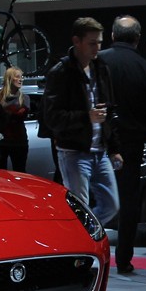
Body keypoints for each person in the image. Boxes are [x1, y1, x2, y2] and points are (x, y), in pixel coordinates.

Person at [45, 17, 122, 229]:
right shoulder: (60, 72)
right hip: (74, 152)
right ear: (76, 41)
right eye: (92, 42)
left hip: (100, 151)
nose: (98, 47)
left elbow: (110, 109)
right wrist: (85, 117)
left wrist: (114, 147)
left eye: (99, 42)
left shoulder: (101, 68)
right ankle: (80, 243)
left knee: (111, 205)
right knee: (81, 209)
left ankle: (80, 236)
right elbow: (52, 117)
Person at [98, 15, 146, 274]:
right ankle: (123, 259)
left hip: (95, 141)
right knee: (129, 201)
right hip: (131, 144)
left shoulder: (97, 61)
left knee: (85, 197)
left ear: (112, 36)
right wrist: (142, 135)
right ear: (137, 38)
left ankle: (85, 255)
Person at [0, 66, 30, 173]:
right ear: (9, 78)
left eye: (22, 77)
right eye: (17, 77)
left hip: (19, 141)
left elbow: (21, 115)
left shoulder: (25, 98)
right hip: (1, 141)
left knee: (20, 172)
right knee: (0, 174)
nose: (21, 80)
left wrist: (6, 111)